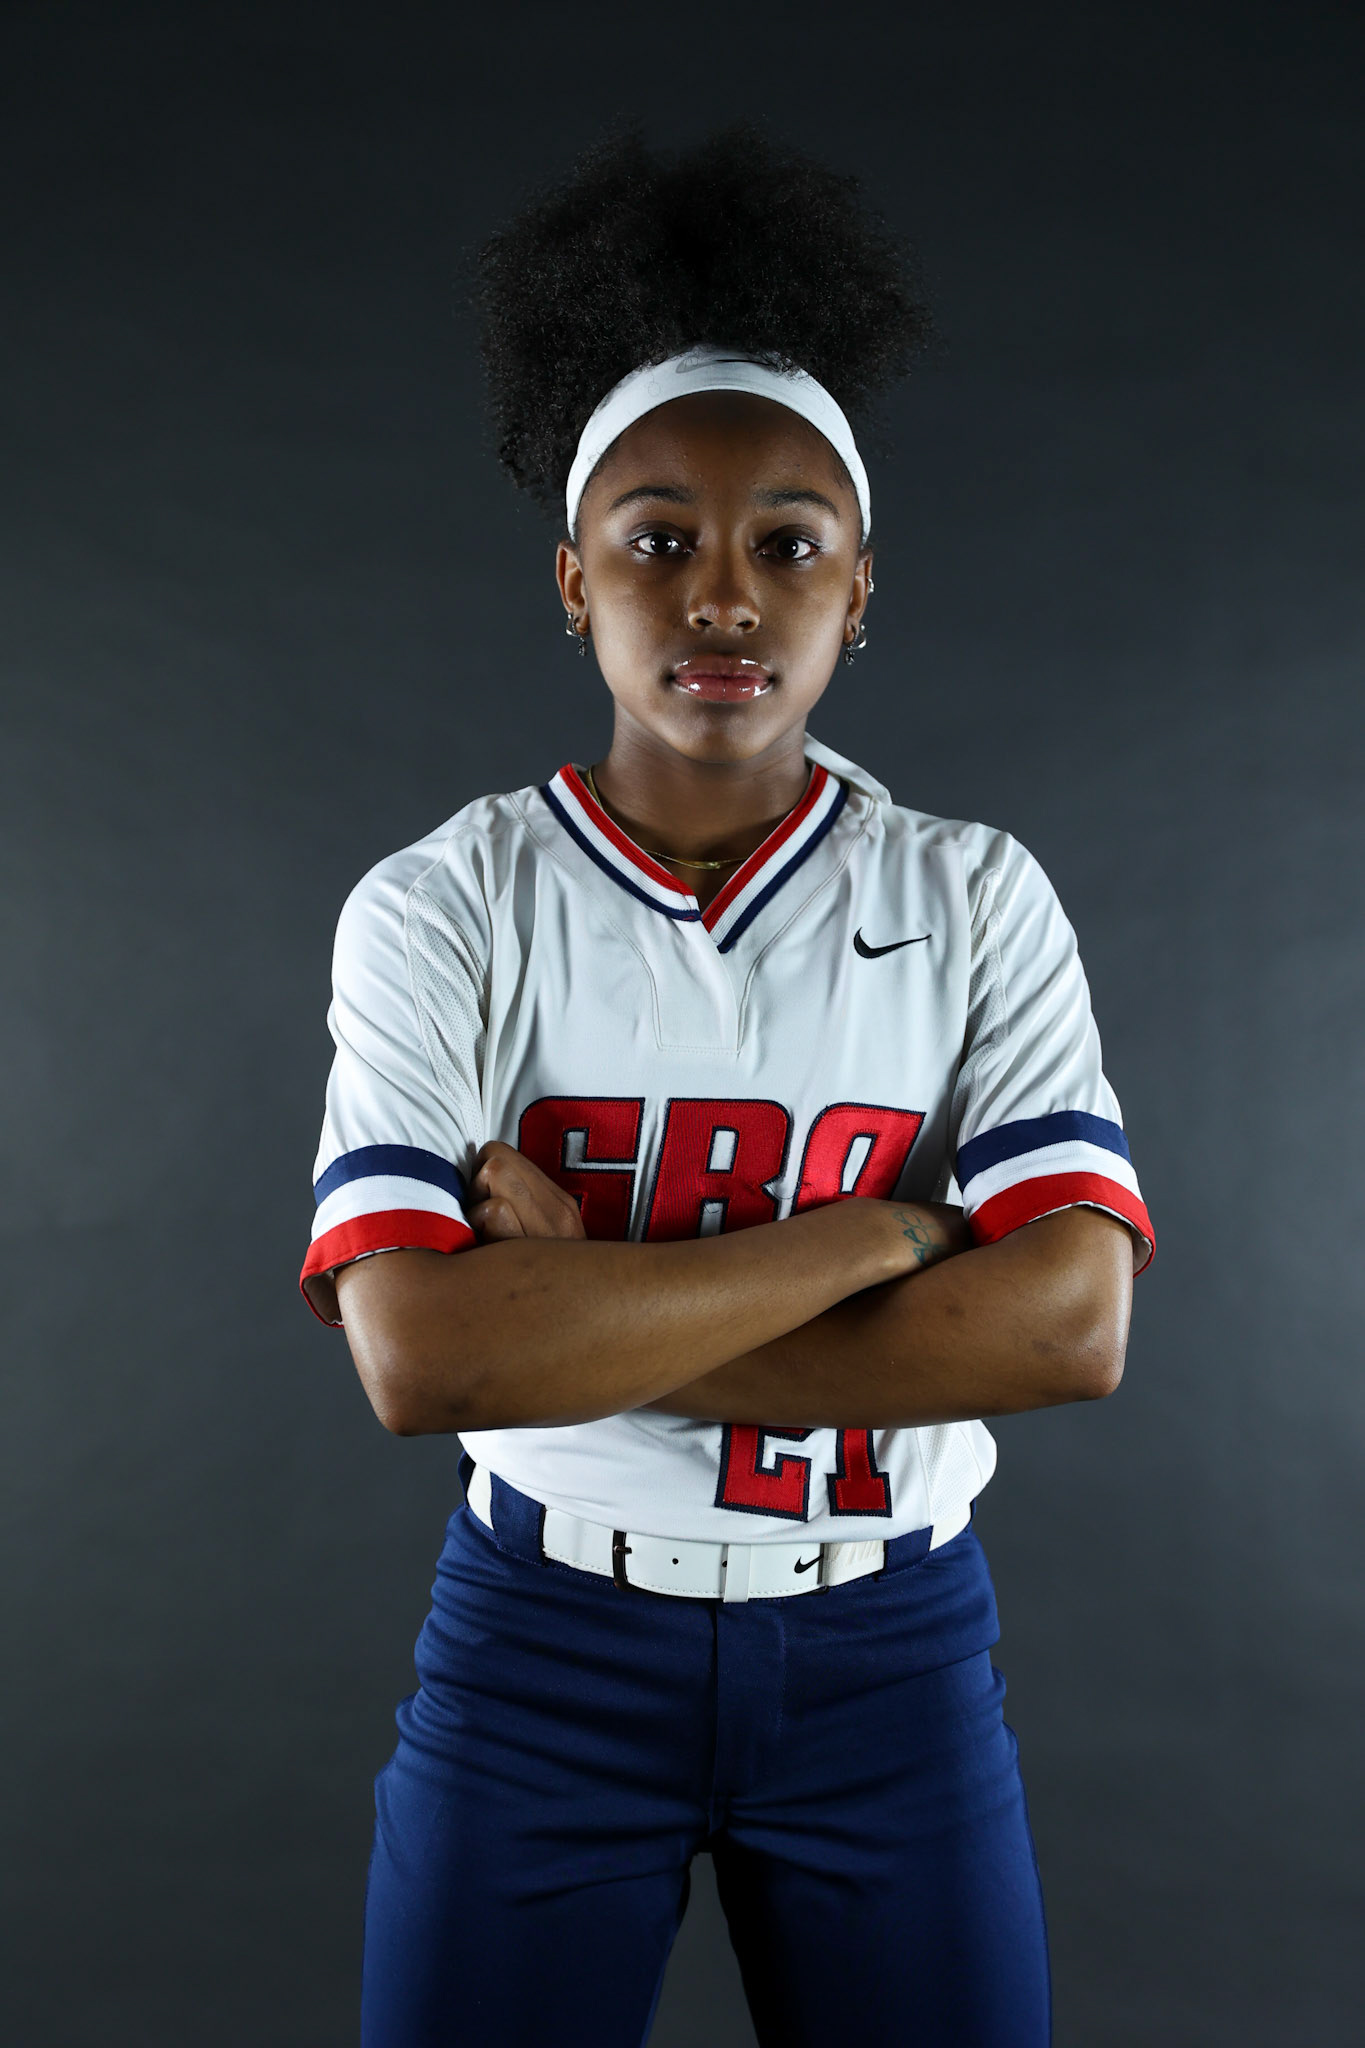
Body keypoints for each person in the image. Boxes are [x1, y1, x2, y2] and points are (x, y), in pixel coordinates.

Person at [299, 125, 1154, 2048]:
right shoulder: (446, 903)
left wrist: (579, 1299)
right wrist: (885, 1237)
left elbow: (1067, 1326)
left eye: (786, 543)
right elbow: (422, 1364)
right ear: (570, 577)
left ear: (861, 587)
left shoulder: (972, 893)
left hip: (889, 1652)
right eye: (655, 538)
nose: (722, 595)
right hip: (543, 1650)